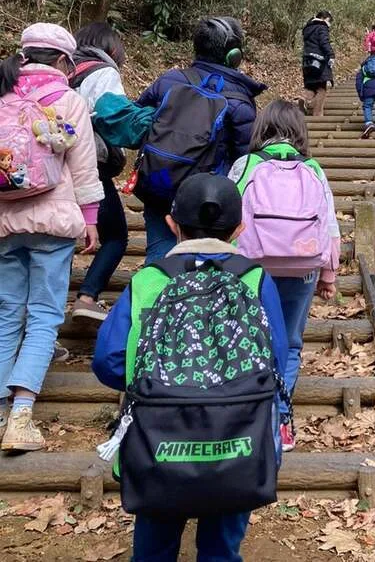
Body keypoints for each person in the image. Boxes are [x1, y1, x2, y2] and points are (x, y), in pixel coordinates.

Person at [93, 173, 288, 562]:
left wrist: (159, 384)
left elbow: (108, 361)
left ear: (171, 224)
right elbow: (277, 363)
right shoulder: (255, 279)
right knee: (221, 549)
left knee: (153, 548)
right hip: (240, 436)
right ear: (239, 228)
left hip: (157, 436)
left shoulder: (148, 280)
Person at [0, 23, 102, 452]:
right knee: (44, 315)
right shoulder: (68, 100)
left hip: (6, 225)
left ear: (24, 56)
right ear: (64, 61)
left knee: (6, 314)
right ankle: (21, 416)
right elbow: (83, 166)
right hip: (54, 225)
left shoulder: (3, 95)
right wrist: (91, 218)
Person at [229, 100, 339, 452]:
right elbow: (330, 224)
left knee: (248, 336)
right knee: (289, 342)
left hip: (251, 268)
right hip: (302, 266)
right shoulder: (314, 169)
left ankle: (246, 416)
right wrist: (329, 274)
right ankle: (280, 420)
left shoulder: (245, 165)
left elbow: (228, 217)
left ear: (261, 129)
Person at [135, 17, 265, 263]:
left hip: (159, 181)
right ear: (234, 54)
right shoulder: (239, 99)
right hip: (209, 196)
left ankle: (154, 296)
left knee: (159, 254)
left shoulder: (169, 81)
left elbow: (139, 118)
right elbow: (244, 158)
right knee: (209, 259)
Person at [69, 22, 129, 323]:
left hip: (55, 169)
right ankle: (87, 296)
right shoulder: (103, 73)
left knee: (61, 239)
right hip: (91, 166)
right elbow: (114, 117)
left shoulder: (59, 68)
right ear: (110, 49)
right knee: (116, 237)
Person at [299, 10, 334, 117]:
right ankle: (317, 115)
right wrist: (331, 55)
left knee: (310, 86)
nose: (329, 24)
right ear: (324, 19)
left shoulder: (308, 28)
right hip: (319, 61)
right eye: (328, 21)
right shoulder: (321, 27)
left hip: (307, 61)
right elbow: (324, 42)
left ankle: (304, 99)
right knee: (321, 88)